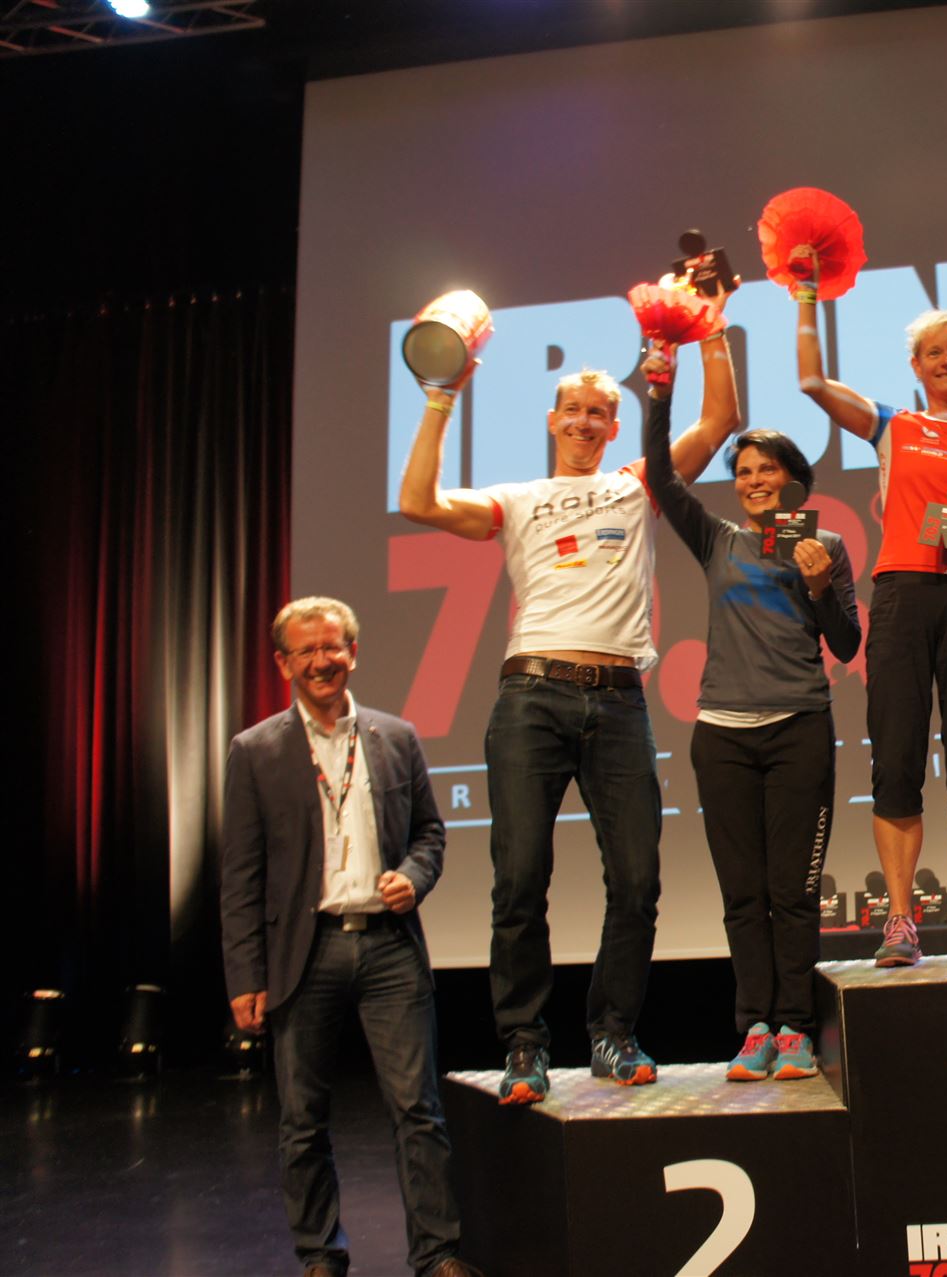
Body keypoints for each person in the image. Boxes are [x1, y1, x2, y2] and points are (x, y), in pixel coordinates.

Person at [398, 300, 740, 1102]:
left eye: (599, 413)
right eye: (574, 410)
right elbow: (419, 501)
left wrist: (709, 328)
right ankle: (524, 1045)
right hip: (531, 697)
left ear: (616, 429)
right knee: (520, 877)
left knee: (639, 879)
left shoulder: (636, 485)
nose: (585, 422)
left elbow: (719, 420)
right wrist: (442, 395)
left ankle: (612, 1034)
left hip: (618, 702)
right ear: (553, 421)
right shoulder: (518, 497)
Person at [220, 597, 482, 1277]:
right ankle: (320, 1256)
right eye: (305, 651)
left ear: (353, 653)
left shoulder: (396, 737)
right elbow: (240, 875)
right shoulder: (255, 751)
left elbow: (429, 834)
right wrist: (245, 975)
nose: (321, 661)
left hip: (390, 946)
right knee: (302, 1120)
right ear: (283, 664)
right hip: (303, 953)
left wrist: (413, 878)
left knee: (418, 1110)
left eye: (331, 647)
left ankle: (437, 1254)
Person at [641, 344, 860, 1079]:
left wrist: (821, 587)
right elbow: (661, 478)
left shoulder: (826, 545)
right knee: (743, 894)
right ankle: (755, 1027)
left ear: (794, 479)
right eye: (743, 472)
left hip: (800, 729)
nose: (754, 480)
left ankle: (796, 1026)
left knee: (792, 893)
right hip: (722, 736)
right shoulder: (718, 540)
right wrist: (660, 392)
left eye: (767, 469)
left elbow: (846, 643)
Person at [793, 284, 947, 966]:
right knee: (895, 761)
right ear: (916, 366)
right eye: (935, 352)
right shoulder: (893, 426)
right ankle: (900, 920)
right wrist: (806, 294)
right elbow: (811, 382)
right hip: (900, 595)